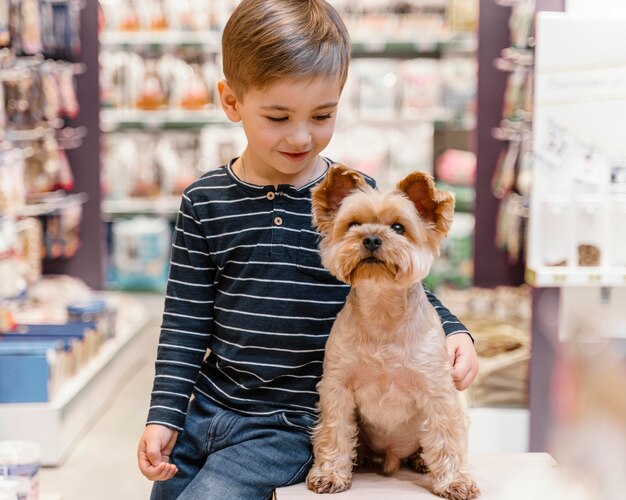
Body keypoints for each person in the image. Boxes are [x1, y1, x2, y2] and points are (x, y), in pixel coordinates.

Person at [137, 1, 479, 498]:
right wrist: (165, 413)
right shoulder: (203, 201)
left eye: (323, 114)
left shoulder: (356, 204)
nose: (302, 136)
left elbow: (403, 280)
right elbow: (185, 320)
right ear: (231, 103)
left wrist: (454, 330)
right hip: (207, 407)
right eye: (278, 116)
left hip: (292, 419)